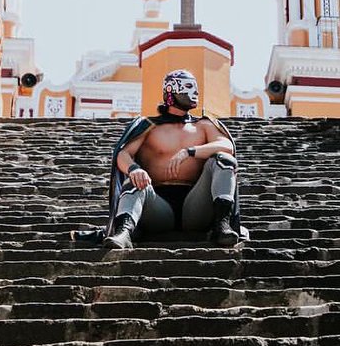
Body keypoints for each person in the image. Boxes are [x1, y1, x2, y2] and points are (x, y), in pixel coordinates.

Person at [98, 69, 243, 249]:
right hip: (157, 208)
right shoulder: (148, 126)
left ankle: (223, 226)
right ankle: (124, 233)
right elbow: (123, 154)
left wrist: (190, 151)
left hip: (197, 207)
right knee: (135, 178)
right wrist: (134, 169)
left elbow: (227, 146)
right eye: (189, 86)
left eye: (196, 87)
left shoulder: (204, 125)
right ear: (170, 89)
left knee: (224, 160)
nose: (196, 92)